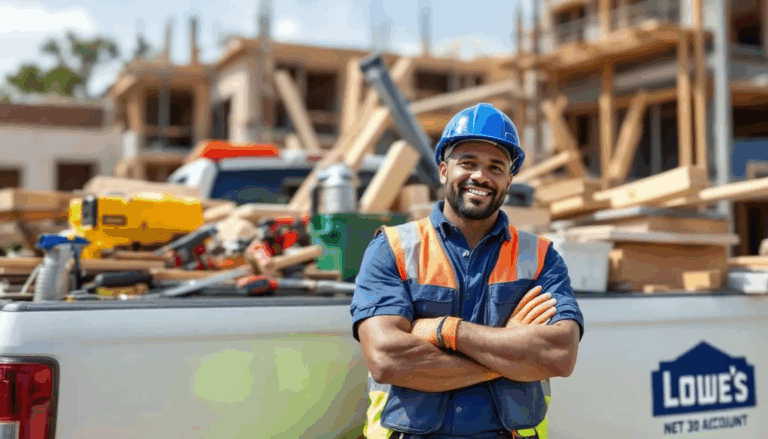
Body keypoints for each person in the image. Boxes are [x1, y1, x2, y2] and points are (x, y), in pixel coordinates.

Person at [350, 103, 584, 439]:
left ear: (509, 179)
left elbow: (559, 355)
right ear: (444, 169)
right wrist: (511, 355)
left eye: (495, 167)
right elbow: (387, 358)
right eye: (468, 163)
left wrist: (447, 331)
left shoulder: (541, 258)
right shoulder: (393, 249)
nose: (481, 176)